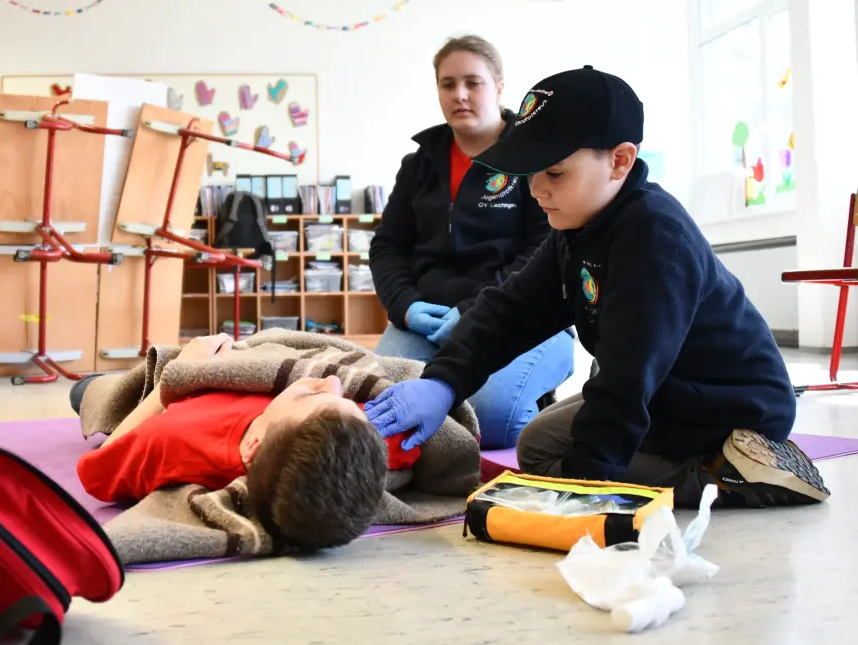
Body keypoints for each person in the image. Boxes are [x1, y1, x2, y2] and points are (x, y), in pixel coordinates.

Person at [365, 65, 830, 509]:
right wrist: (443, 383)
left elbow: (628, 380)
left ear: (619, 161)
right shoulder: (577, 228)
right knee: (537, 447)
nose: (535, 190)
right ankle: (685, 463)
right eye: (530, 174)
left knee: (559, 463)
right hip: (667, 390)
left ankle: (730, 475)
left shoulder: (653, 237)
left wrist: (581, 490)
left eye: (555, 173)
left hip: (726, 408)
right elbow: (510, 311)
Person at [369, 35, 574, 450]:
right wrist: (404, 306)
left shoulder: (536, 158)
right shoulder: (419, 164)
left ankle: (541, 410)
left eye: (473, 82)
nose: (459, 95)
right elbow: (387, 246)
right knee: (378, 401)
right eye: (447, 84)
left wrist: (474, 310)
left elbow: (543, 253)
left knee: (489, 418)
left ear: (499, 87)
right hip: (427, 318)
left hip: (519, 313)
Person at [71, 334, 415, 550]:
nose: (331, 383)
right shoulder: (379, 435)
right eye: (343, 399)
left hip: (181, 377)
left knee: (86, 391)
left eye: (310, 396)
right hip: (247, 347)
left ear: (254, 446)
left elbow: (97, 470)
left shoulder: (173, 438)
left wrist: (173, 376)